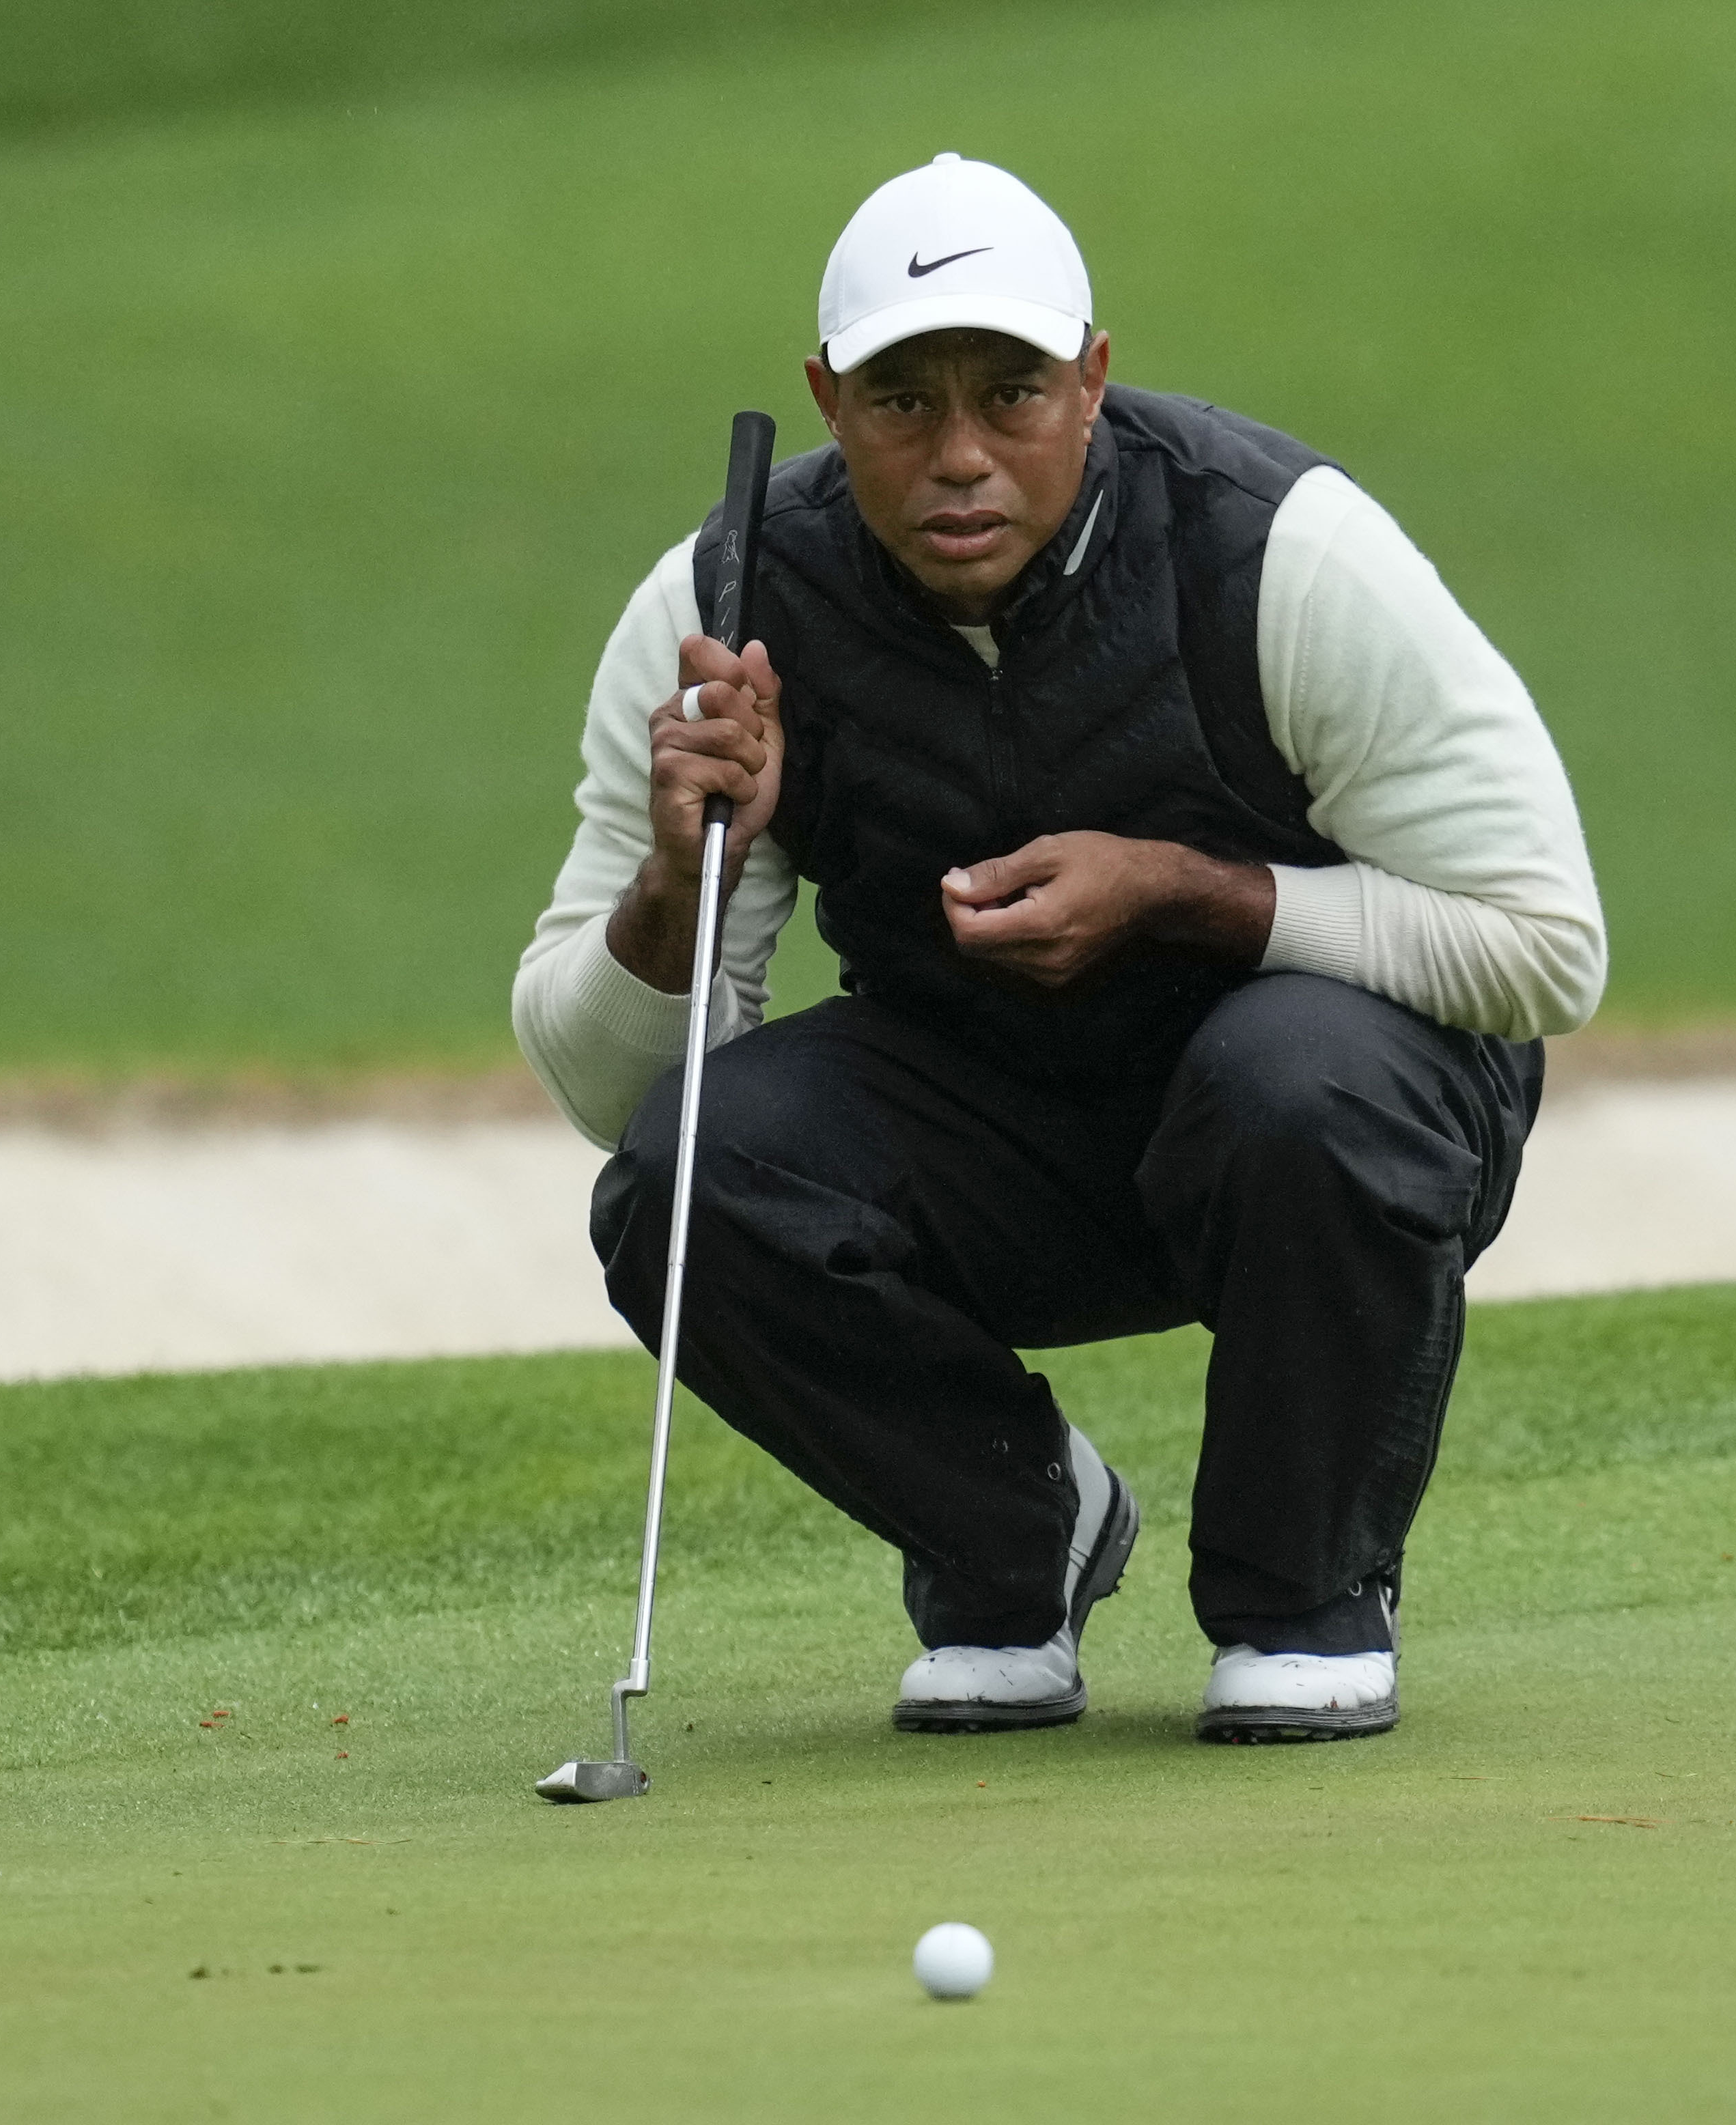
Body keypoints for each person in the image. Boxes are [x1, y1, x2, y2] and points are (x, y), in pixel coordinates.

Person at [514, 154, 1604, 1743]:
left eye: (1012, 393)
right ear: (827, 402)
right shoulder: (728, 604)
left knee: (1295, 1073)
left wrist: (1184, 892)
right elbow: (613, 1096)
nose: (960, 454)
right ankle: (1015, 1535)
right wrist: (682, 877)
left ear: (1093, 380)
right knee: (687, 1175)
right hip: (996, 1132)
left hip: (1319, 1129)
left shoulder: (1278, 550)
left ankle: (1305, 1593)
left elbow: (1548, 950)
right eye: (903, 401)